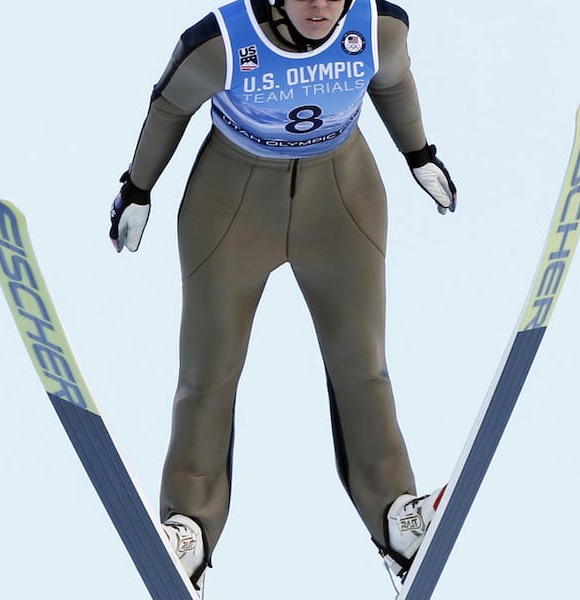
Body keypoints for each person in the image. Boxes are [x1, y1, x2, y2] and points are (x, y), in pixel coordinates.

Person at [108, 0, 457, 590]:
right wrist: (138, 188)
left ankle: (398, 519)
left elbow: (393, 80)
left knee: (363, 366)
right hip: (232, 204)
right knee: (208, 372)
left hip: (342, 198)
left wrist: (418, 153)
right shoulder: (219, 42)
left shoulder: (379, 28)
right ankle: (189, 526)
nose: (320, 7)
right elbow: (170, 105)